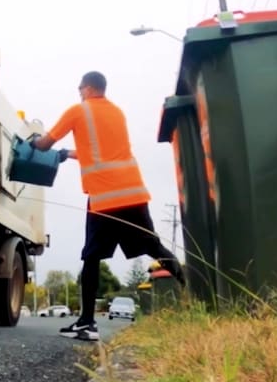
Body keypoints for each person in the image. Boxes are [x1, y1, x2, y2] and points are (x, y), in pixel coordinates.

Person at [33, 70, 184, 342]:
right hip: (133, 193)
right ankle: (199, 293)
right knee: (154, 247)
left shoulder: (78, 111)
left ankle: (88, 323)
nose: (79, 93)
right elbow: (101, 153)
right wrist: (68, 154)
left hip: (105, 197)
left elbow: (44, 144)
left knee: (91, 257)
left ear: (89, 88)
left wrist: (32, 142)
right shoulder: (117, 113)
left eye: (80, 88)